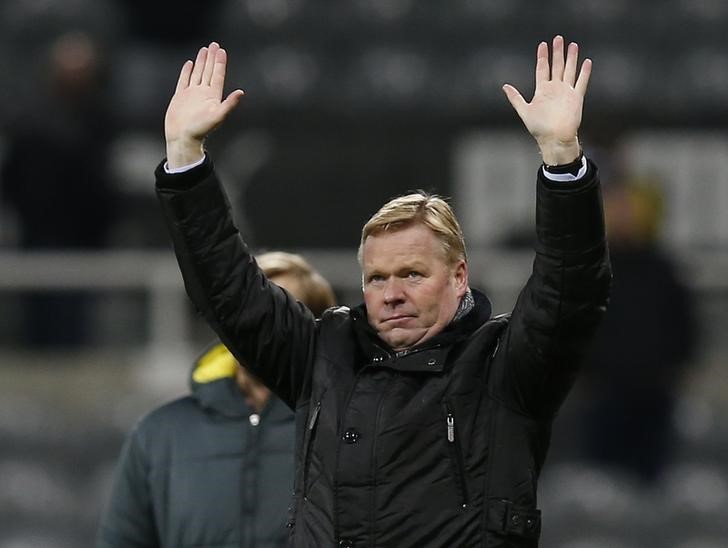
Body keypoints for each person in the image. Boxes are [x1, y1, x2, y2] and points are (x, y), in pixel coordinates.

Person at [154, 37, 611, 547]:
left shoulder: (505, 367)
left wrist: (562, 160)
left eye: (412, 274)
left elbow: (567, 290)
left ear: (459, 276)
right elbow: (228, 291)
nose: (391, 294)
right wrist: (185, 160)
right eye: (377, 278)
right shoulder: (322, 357)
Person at [96, 252, 337, 548]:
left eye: (280, 313)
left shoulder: (345, 429)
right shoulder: (159, 434)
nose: (260, 327)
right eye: (249, 310)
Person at [579, 177, 696, 484]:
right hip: (606, 393)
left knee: (652, 475)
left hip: (653, 393)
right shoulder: (593, 271)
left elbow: (683, 327)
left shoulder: (664, 270)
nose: (624, 217)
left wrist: (672, 370)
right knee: (604, 478)